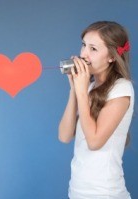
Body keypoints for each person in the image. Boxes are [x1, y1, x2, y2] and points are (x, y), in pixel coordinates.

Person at [58, 21, 134, 199]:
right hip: (77, 191)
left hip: (103, 193)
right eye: (84, 45)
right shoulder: (90, 87)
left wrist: (82, 93)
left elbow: (94, 142)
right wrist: (74, 91)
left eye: (93, 49)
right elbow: (64, 136)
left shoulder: (121, 89)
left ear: (112, 57)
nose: (84, 54)